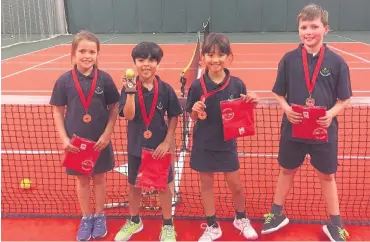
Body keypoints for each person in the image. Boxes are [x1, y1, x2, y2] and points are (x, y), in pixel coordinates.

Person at [261, 4, 351, 242]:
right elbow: (279, 93)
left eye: (314, 26)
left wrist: (331, 113)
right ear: (298, 29)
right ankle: (277, 213)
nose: (308, 31)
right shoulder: (289, 59)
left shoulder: (338, 62)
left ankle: (336, 223)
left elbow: (344, 98)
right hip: (293, 127)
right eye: (304, 27)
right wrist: (287, 109)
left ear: (326, 29)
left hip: (324, 129)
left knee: (327, 176)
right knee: (286, 170)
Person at [186, 32, 259, 241]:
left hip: (227, 144)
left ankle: (241, 218)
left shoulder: (237, 84)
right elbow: (192, 116)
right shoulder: (197, 86)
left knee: (236, 185)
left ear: (229, 57)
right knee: (206, 186)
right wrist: (196, 109)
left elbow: (243, 109)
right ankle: (212, 225)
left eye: (220, 54)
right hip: (203, 143)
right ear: (203, 58)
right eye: (210, 54)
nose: (215, 59)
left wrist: (251, 100)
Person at [50, 30, 120, 241]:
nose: (87, 55)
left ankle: (99, 216)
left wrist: (107, 134)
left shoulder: (105, 79)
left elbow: (115, 107)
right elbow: (57, 110)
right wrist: (64, 139)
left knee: (99, 179)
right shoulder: (64, 81)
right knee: (82, 181)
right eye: (82, 51)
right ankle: (86, 217)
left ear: (98, 54)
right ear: (73, 53)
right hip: (76, 144)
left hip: (100, 142)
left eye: (92, 51)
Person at [115, 41, 182, 242]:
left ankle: (168, 225)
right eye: (141, 60)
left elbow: (174, 116)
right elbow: (128, 115)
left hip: (159, 149)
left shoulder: (166, 89)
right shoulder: (127, 89)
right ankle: (135, 220)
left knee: (163, 186)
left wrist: (167, 142)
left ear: (158, 63)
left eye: (152, 60)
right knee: (134, 186)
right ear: (134, 63)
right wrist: (129, 94)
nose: (146, 64)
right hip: (136, 147)